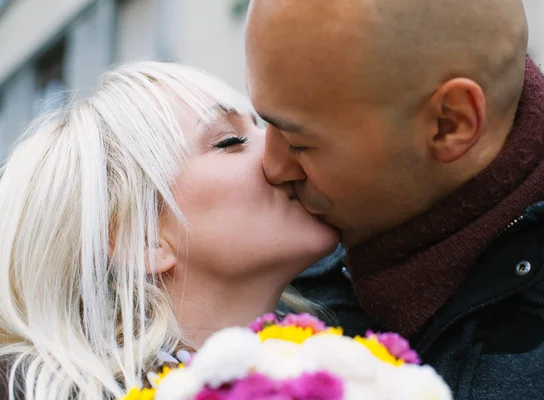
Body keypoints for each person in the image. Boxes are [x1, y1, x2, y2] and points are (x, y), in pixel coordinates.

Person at [245, 0, 544, 398]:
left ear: (450, 124)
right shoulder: (286, 278)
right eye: (264, 124)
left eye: (298, 143)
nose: (272, 168)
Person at [0, 62, 339, 400]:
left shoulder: (354, 345)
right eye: (230, 141)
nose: (279, 146)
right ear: (142, 239)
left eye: (261, 124)